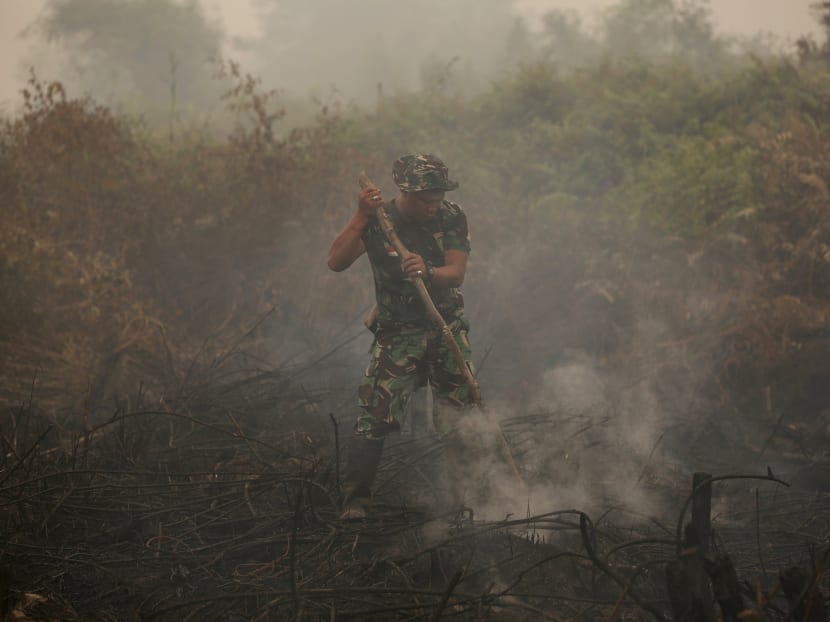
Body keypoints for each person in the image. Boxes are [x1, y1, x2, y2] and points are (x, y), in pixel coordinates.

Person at [327, 153, 476, 518]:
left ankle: (466, 505)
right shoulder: (379, 220)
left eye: (437, 199)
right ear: (405, 193)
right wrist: (361, 215)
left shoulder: (451, 215)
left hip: (446, 328)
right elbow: (336, 261)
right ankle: (356, 504)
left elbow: (456, 273)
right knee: (374, 414)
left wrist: (427, 270)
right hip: (399, 332)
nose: (432, 207)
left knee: (461, 416)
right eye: (426, 201)